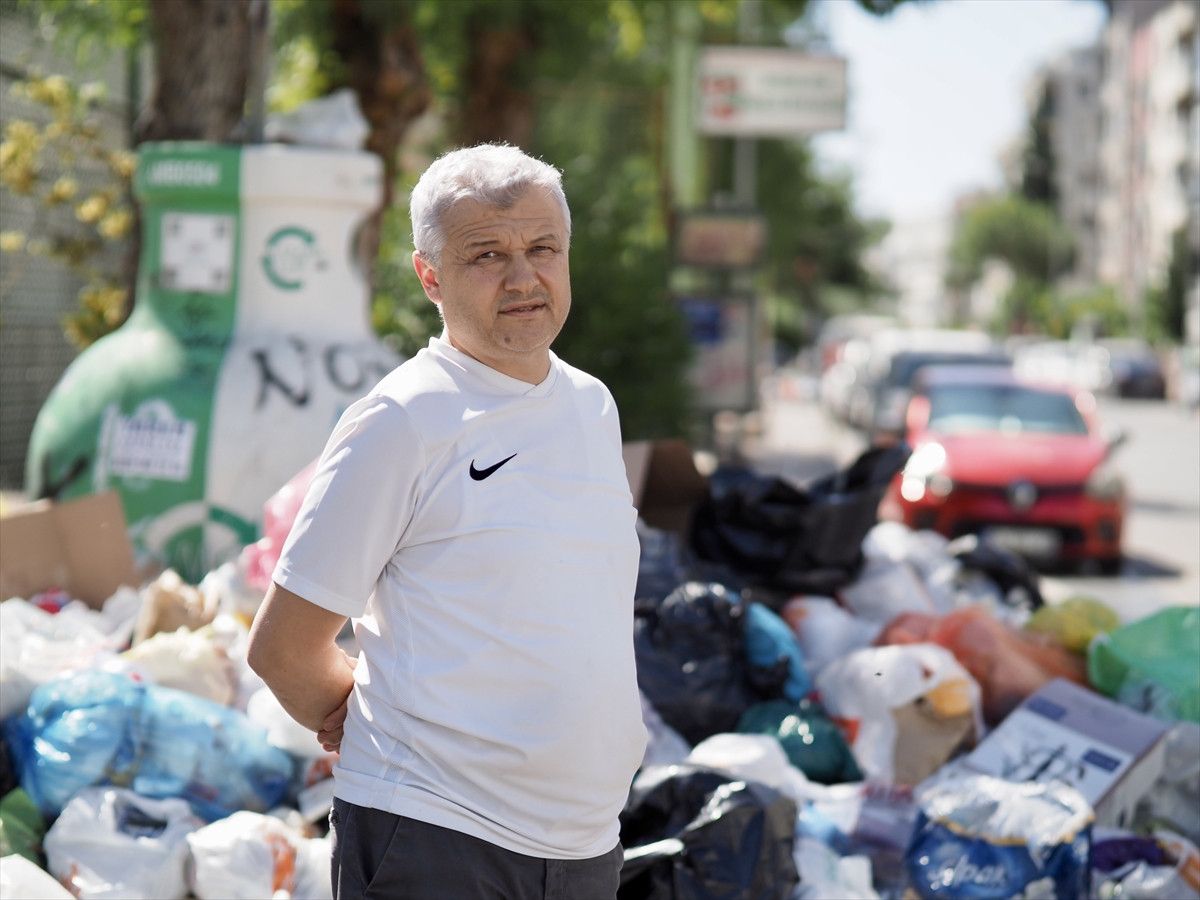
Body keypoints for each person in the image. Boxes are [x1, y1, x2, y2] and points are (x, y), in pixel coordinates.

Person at [247, 144, 648, 899]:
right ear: (429, 276)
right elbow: (283, 648)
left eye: (542, 249)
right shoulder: (404, 419)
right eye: (486, 255)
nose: (523, 277)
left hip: (587, 847)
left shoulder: (592, 405)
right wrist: (356, 718)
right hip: (437, 838)